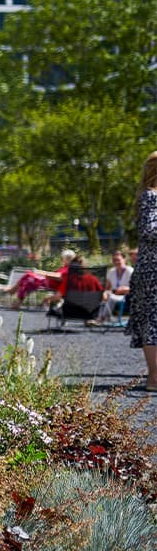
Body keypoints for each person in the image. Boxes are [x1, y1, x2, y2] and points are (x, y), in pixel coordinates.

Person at [124, 150, 157, 392]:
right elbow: (149, 231)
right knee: (152, 322)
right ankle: (154, 378)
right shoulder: (149, 197)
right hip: (152, 270)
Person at [5, 249, 74, 308]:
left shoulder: (68, 268)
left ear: (67, 259)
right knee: (29, 276)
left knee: (30, 277)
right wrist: (40, 273)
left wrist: (40, 272)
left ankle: (15, 296)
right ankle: (15, 296)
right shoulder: (66, 267)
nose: (62, 260)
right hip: (48, 281)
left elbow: (58, 276)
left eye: (63, 258)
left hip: (50, 284)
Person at [88, 249, 132, 325]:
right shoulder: (111, 271)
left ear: (124, 259)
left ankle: (100, 320)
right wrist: (105, 293)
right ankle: (94, 317)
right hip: (115, 294)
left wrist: (125, 289)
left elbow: (136, 288)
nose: (116, 262)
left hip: (127, 296)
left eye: (118, 260)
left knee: (112, 298)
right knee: (102, 295)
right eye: (114, 260)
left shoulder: (130, 271)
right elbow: (107, 287)